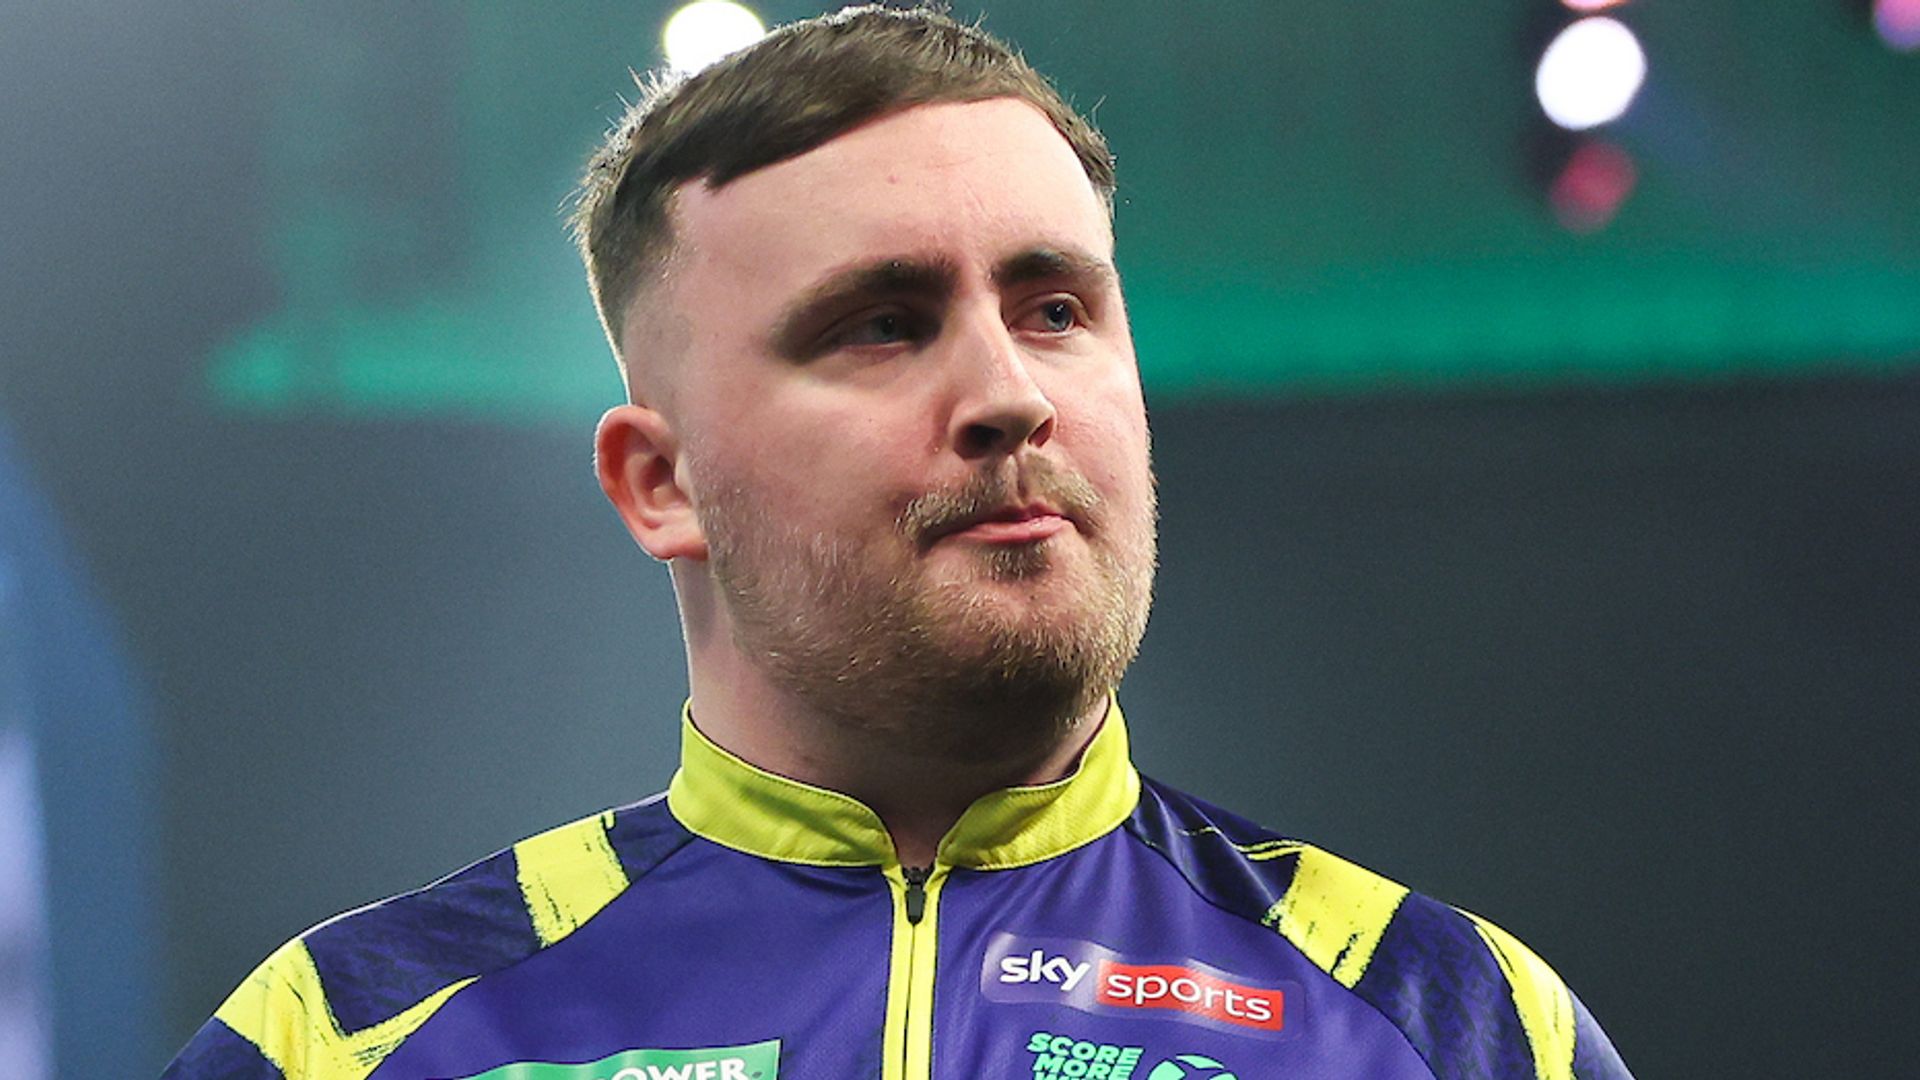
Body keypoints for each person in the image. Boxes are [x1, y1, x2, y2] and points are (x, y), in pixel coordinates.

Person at [164, 7, 1632, 1079]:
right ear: (660, 483)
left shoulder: (1454, 1026)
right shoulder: (346, 1037)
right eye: (881, 325)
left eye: (1056, 309)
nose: (1010, 394)